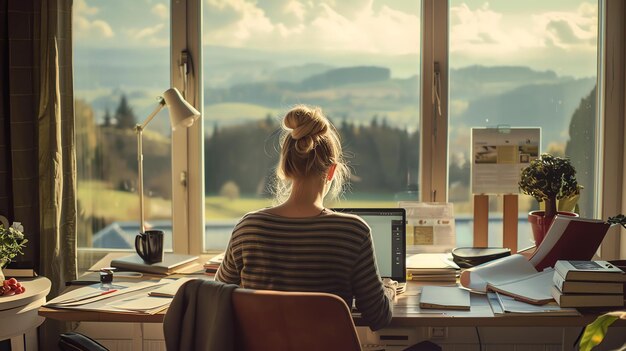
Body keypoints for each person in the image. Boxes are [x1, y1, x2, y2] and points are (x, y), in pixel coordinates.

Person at [215, 104, 392, 330]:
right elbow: (378, 317)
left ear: (285, 167)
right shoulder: (352, 232)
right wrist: (387, 291)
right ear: (331, 171)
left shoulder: (249, 227)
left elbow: (217, 297)